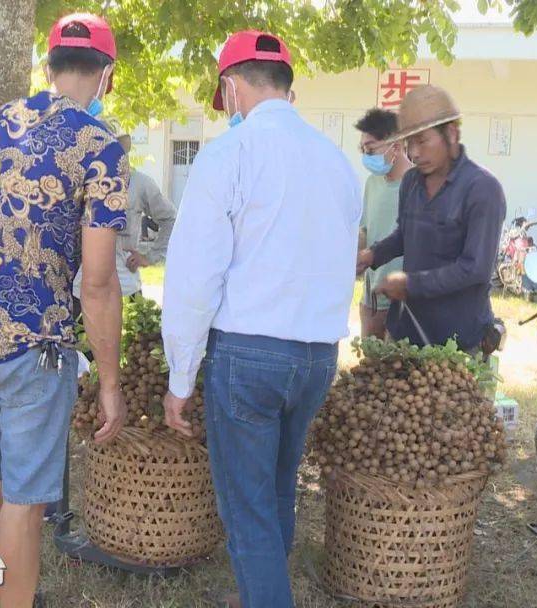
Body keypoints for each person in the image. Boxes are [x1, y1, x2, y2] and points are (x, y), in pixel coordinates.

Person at [161, 30, 360, 608]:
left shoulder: (230, 153)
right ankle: (260, 592)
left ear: (231, 87)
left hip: (248, 353)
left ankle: (266, 596)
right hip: (317, 354)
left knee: (247, 510)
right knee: (276, 490)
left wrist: (180, 376)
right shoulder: (336, 160)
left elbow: (195, 275)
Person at [0, 13, 128, 608]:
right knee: (26, 501)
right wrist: (109, 384)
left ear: (49, 67)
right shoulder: (101, 147)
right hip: (35, 347)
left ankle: (6, 593)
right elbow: (99, 283)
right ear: (105, 75)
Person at [355, 85, 506, 352]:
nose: (413, 153)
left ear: (451, 134)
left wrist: (411, 284)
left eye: (422, 141)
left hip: (458, 338)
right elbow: (404, 235)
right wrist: (373, 255)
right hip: (406, 329)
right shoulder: (411, 181)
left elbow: (475, 268)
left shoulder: (482, 189)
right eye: (409, 143)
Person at [72, 133, 176, 300]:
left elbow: (170, 218)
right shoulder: (83, 183)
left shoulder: (141, 183)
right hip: (84, 283)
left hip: (127, 283)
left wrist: (150, 257)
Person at [355, 108, 412, 339]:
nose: (366, 157)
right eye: (363, 150)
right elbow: (365, 231)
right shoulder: (372, 183)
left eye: (370, 150)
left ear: (395, 147)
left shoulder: (417, 186)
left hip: (402, 298)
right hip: (371, 297)